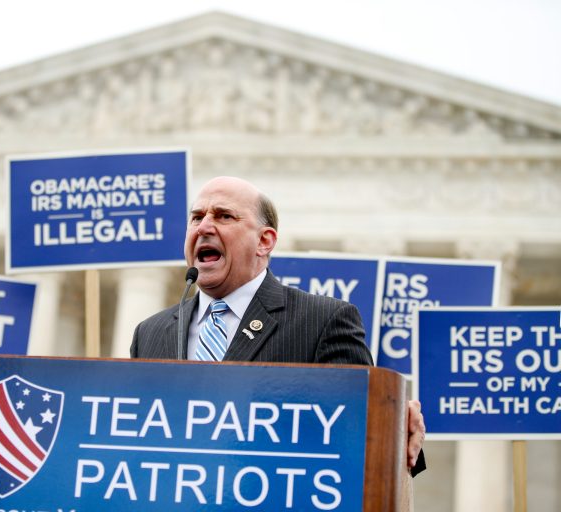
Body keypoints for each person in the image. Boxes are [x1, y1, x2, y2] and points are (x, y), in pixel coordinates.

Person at [130, 176, 426, 475]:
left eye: (223, 216)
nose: (204, 227)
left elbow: (364, 440)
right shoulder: (150, 333)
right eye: (196, 217)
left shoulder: (323, 321)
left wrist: (394, 421)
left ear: (264, 241)